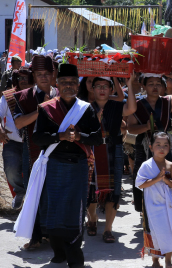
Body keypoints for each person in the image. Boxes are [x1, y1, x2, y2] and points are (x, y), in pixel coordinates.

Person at [15, 62, 102, 268]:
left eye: (73, 82)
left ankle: (74, 257)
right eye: (64, 82)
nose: (69, 86)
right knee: (53, 211)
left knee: (74, 212)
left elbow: (98, 139)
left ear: (78, 85)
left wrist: (79, 136)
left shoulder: (86, 109)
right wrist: (59, 136)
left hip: (78, 166)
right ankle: (58, 253)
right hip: (54, 166)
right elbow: (38, 138)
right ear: (58, 83)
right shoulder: (46, 109)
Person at [128, 68, 172, 213]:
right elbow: (131, 128)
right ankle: (145, 212)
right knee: (145, 177)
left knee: (168, 176)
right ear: (144, 86)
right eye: (150, 84)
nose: (155, 87)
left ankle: (168, 208)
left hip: (164, 145)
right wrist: (145, 127)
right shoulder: (137, 104)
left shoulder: (168, 101)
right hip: (145, 145)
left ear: (162, 86)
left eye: (158, 84)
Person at [14, 55, 59, 250]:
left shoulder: (64, 93)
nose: (43, 77)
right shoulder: (24, 97)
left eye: (47, 74)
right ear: (33, 75)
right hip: (32, 150)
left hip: (59, 151)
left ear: (53, 75)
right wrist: (42, 109)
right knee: (34, 192)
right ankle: (36, 237)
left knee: (55, 193)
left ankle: (54, 235)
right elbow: (18, 123)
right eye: (39, 74)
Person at [85, 74, 137, 243]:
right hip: (92, 151)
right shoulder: (85, 108)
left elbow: (132, 109)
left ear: (111, 90)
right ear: (92, 89)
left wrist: (128, 83)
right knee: (91, 192)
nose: (101, 89)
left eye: (105, 86)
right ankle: (92, 218)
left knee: (113, 192)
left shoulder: (116, 106)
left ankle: (108, 229)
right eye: (98, 86)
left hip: (114, 150)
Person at [136, 132, 172, 268]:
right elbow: (140, 184)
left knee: (168, 231)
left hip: (166, 205)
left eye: (165, 145)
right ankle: (155, 261)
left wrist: (165, 180)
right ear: (151, 147)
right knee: (153, 231)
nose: (162, 148)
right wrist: (157, 178)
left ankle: (168, 261)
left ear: (169, 148)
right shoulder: (146, 165)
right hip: (151, 205)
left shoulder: (171, 166)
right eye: (158, 145)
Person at [0, 68, 33, 209]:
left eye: (26, 78)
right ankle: (19, 192)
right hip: (12, 141)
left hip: (33, 142)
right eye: (20, 79)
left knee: (32, 174)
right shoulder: (7, 96)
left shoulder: (38, 95)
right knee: (11, 170)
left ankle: (32, 204)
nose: (23, 81)